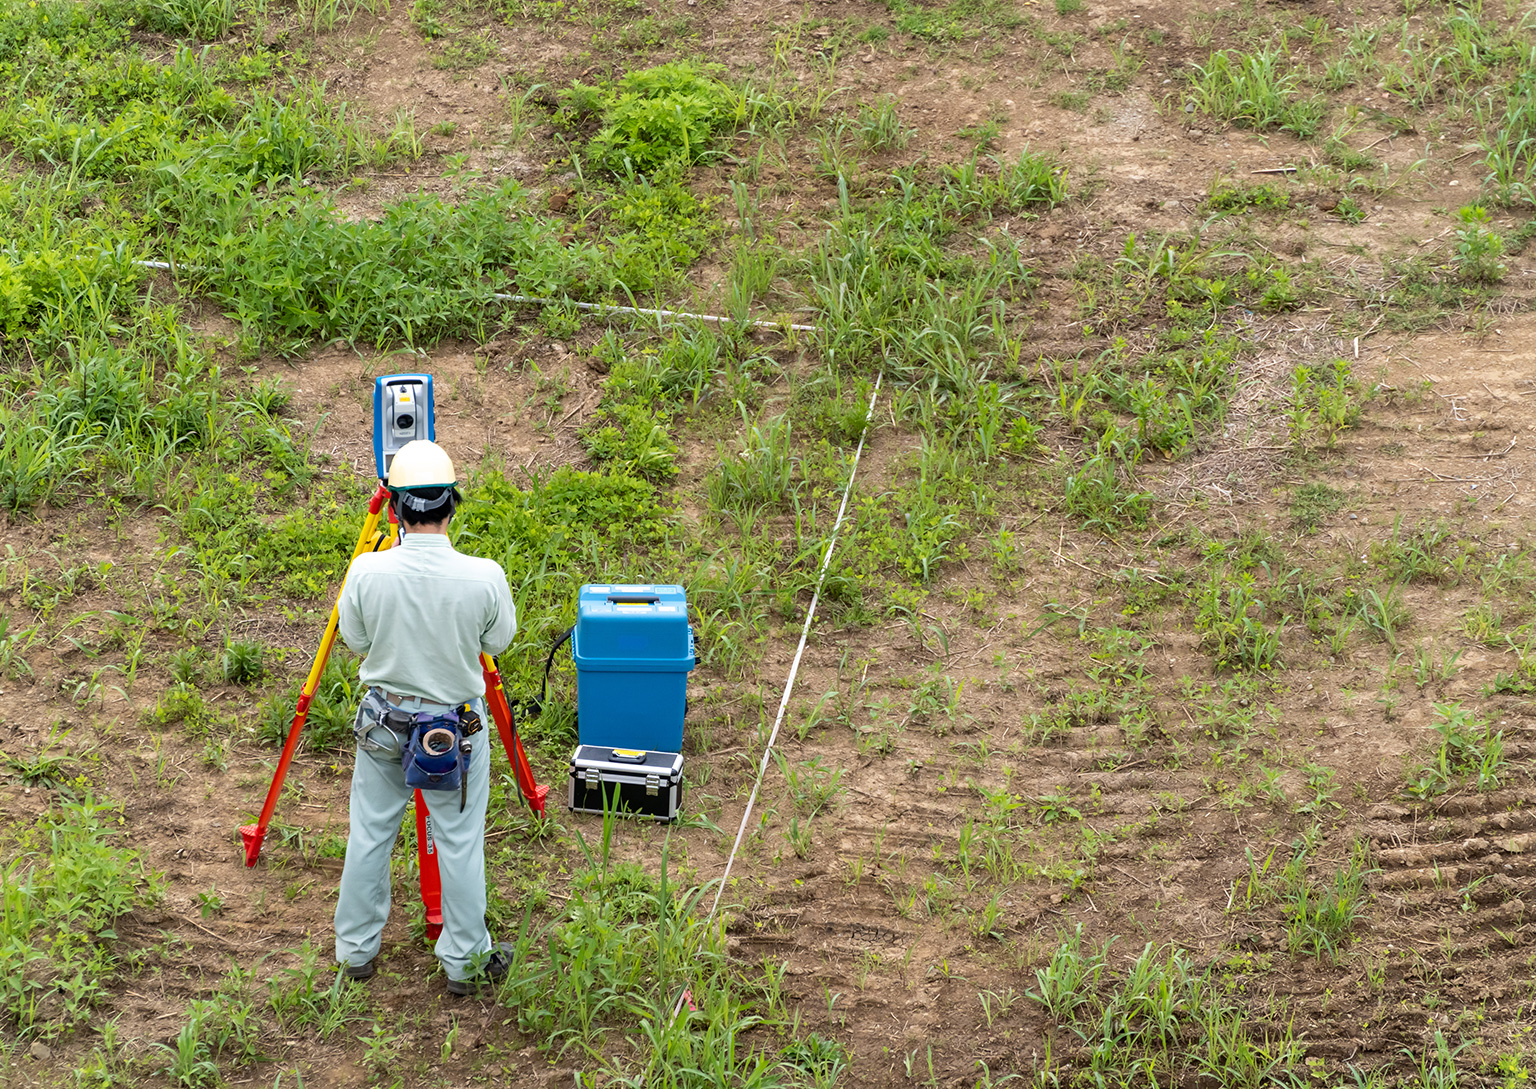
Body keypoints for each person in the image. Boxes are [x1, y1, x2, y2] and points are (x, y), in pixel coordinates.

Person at [332, 439, 516, 996]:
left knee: (369, 833)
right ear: (452, 505)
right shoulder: (484, 576)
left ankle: (356, 951)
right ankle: (464, 961)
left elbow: (355, 639)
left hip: (384, 723)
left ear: (395, 509)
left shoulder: (366, 572)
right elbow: (498, 641)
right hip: (454, 732)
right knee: (459, 840)